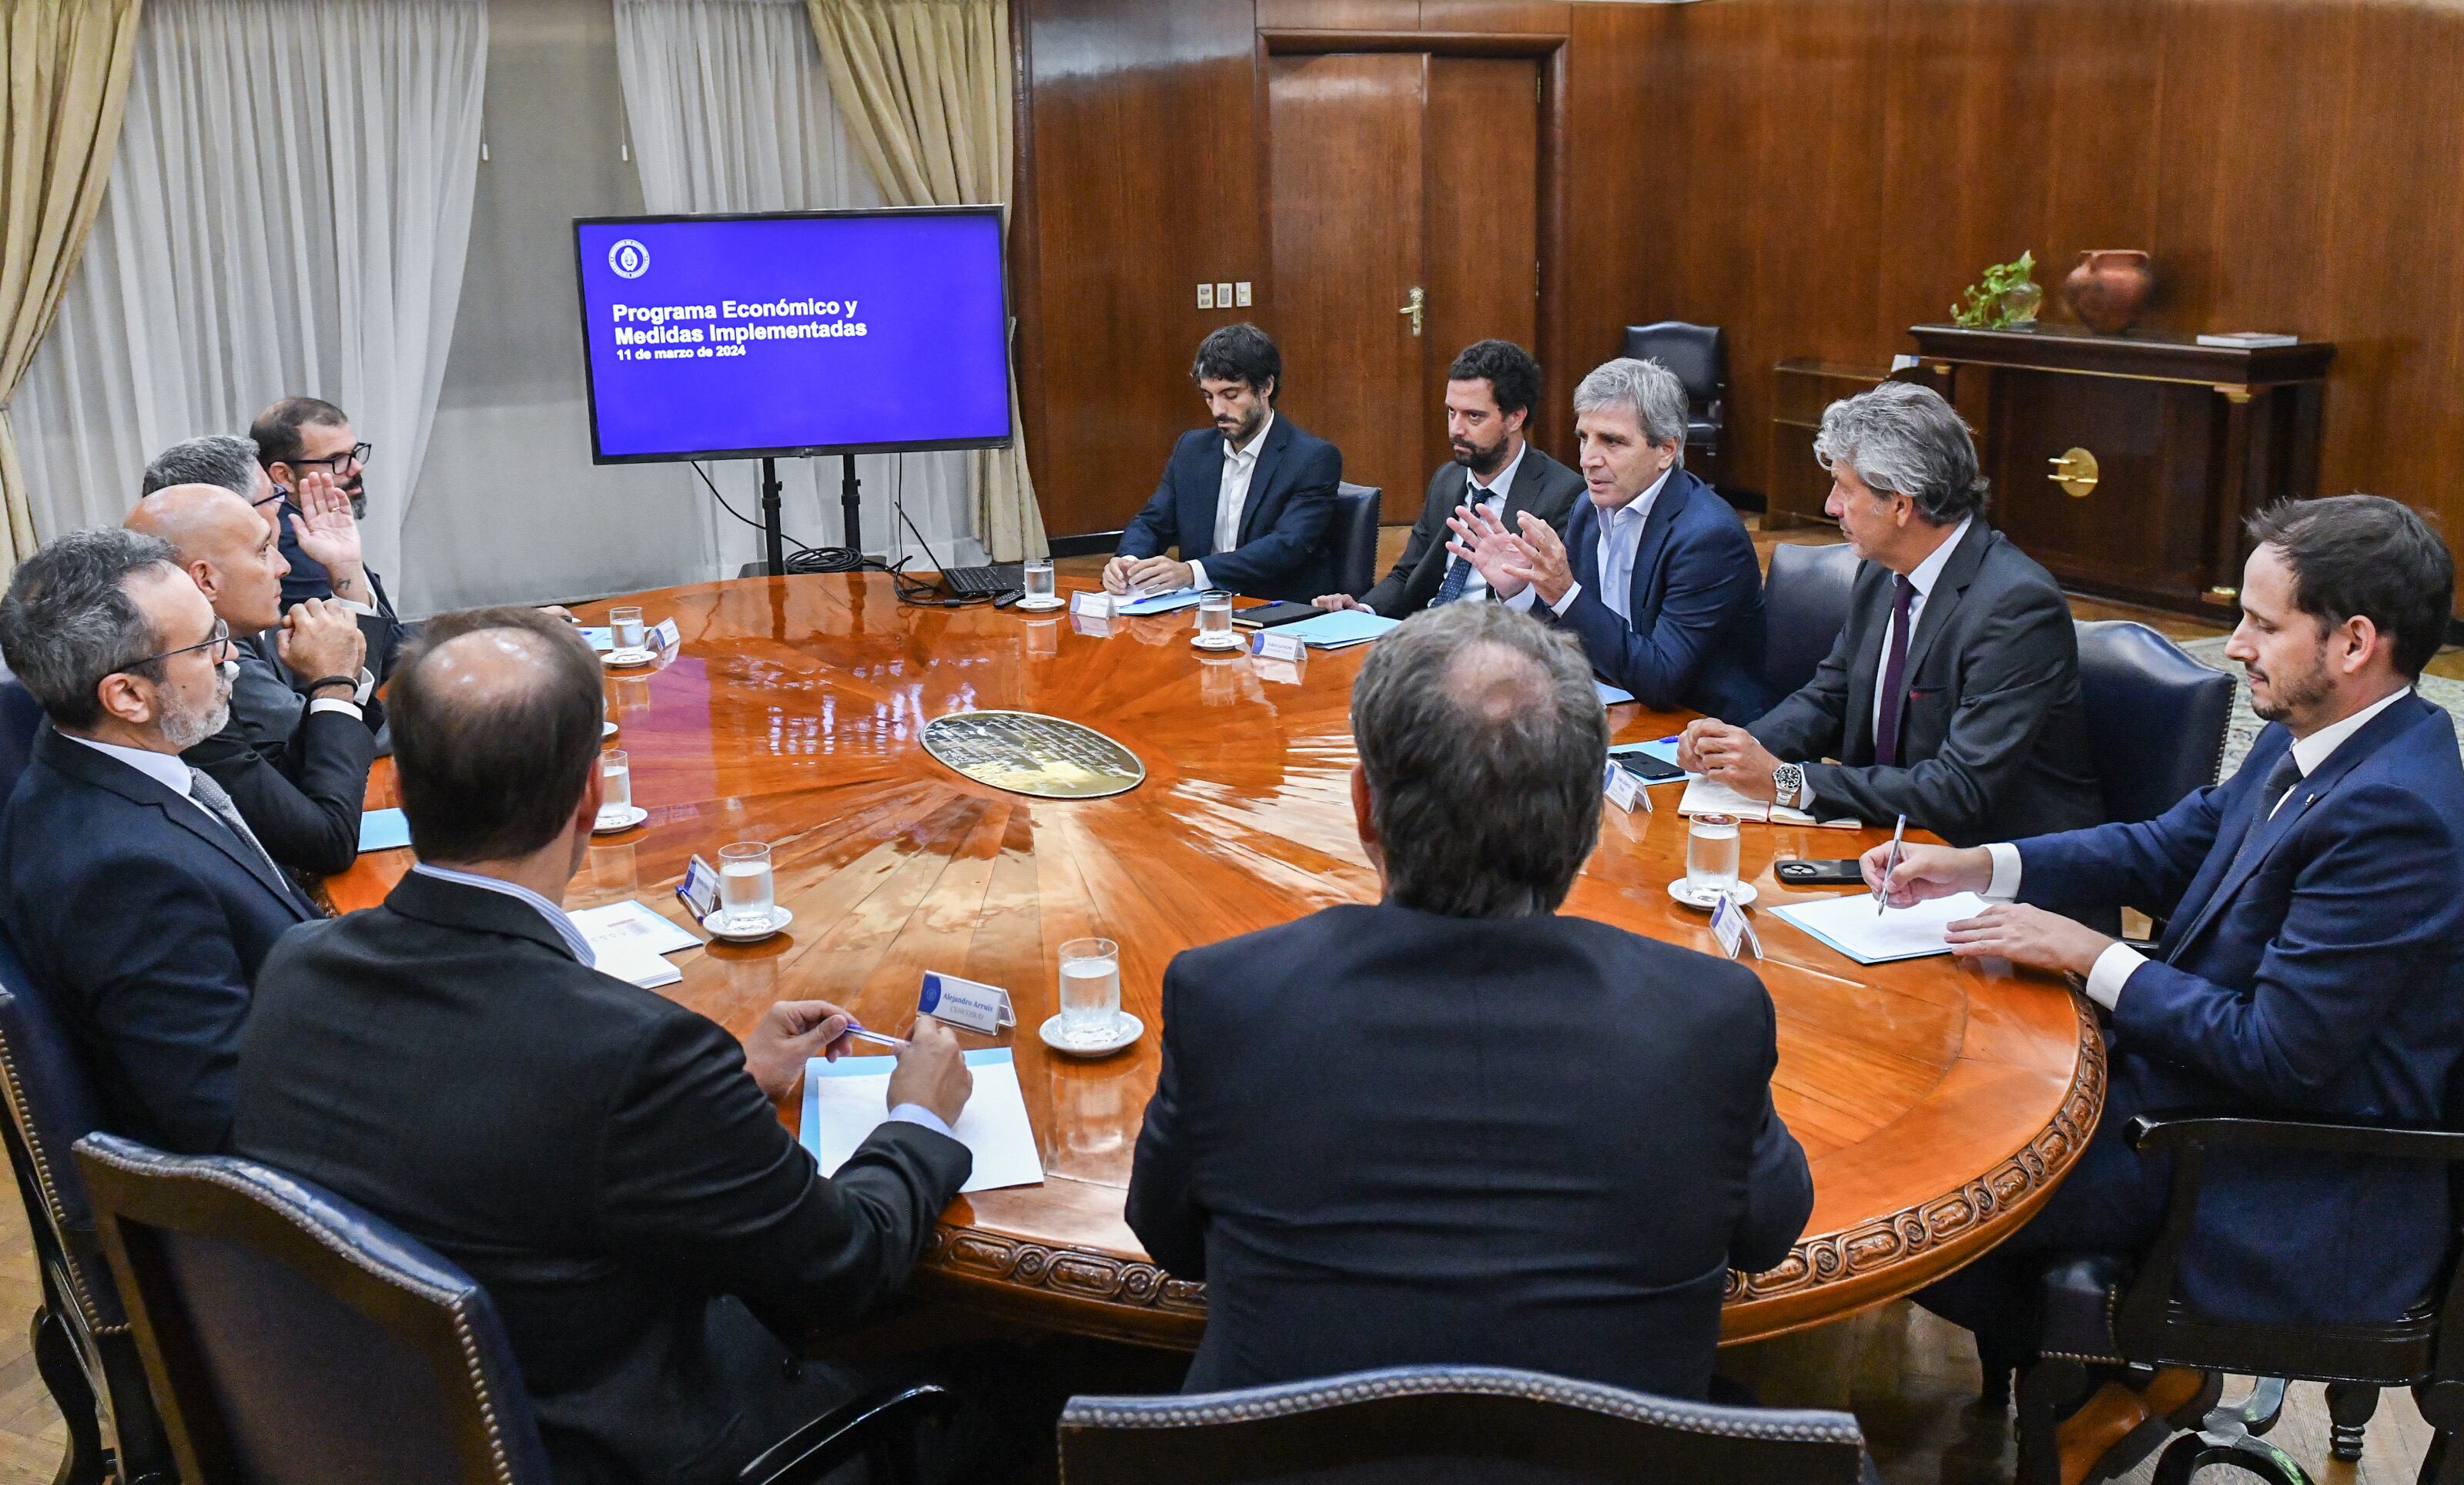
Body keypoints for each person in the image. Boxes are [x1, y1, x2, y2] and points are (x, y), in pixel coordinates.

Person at [232, 607, 979, 1485]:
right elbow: (845, 1265)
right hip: (620, 1445)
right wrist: (920, 1117)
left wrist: (734, 1080)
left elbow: (504, 1122)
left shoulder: (297, 963)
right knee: (1009, 1391)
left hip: (371, 1430)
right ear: (591, 793)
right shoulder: (636, 1053)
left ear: (403, 785)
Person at [1873, 495, 2464, 1482]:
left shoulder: (2395, 813)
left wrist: (2088, 955)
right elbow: (2169, 844)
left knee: (1941, 1192)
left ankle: (2124, 1384)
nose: (2234, 646)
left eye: (2262, 623)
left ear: (2354, 640)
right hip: (2205, 1091)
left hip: (2291, 1168)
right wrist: (1982, 862)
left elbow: (2279, 1050)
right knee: (1948, 1117)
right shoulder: (2319, 728)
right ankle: (2133, 1387)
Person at [1126, 601, 1812, 1399]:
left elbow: (1170, 1242)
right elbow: (1767, 1233)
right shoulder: (1706, 1014)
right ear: (1589, 820)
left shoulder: (1229, 998)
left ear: (1362, 808)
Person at [0, 529, 319, 1153]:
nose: (232, 658)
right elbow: (224, 1116)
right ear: (127, 696)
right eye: (207, 645)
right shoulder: (121, 877)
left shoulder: (84, 762)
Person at [1679, 380, 2100, 845]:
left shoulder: (2016, 607)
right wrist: (1737, 750)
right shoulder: (1884, 572)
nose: (1830, 506)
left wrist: (1788, 782)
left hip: (1998, 873)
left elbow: (1959, 790)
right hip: (1888, 845)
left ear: (1900, 505)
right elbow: (1831, 696)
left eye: (1844, 488)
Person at [1445, 357, 1769, 718]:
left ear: (1666, 450)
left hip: (1700, 732)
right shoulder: (1588, 508)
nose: (1588, 460)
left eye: (1612, 442)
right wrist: (1521, 591)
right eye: (1584, 438)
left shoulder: (1707, 538)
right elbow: (1572, 639)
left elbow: (1661, 679)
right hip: (1614, 713)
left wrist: (1564, 592)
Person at [125, 484, 376, 877]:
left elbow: (279, 780)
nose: (283, 566)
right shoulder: (176, 688)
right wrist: (333, 685)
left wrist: (336, 681)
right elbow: (325, 841)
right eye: (263, 551)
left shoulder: (209, 654)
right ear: (205, 580)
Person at [1315, 339, 1582, 617]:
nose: (1456, 429)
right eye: (1451, 412)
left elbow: (1558, 613)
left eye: (1473, 416)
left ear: (1515, 418)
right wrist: (1362, 611)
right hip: (1428, 631)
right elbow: (1408, 574)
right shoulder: (1447, 478)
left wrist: (1515, 591)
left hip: (1495, 643)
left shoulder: (1562, 495)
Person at [1105, 323, 1341, 604]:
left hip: (1274, 611)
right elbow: (1153, 522)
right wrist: (1128, 561)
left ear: (1266, 387)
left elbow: (1287, 545)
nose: (1218, 410)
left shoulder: (1312, 458)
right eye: (1209, 396)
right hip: (1200, 610)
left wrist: (1193, 572)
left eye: (1231, 395)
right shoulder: (1192, 449)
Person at [248, 397, 412, 676]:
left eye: (355, 452)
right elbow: (370, 655)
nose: (356, 468)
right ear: (284, 476)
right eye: (335, 459)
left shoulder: (313, 524)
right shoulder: (287, 537)